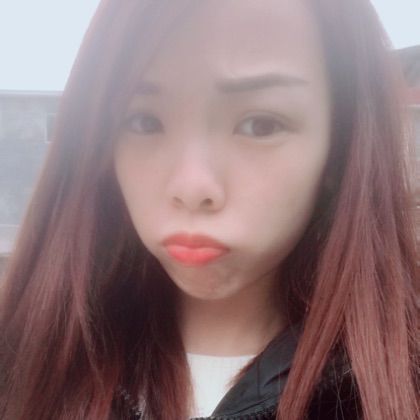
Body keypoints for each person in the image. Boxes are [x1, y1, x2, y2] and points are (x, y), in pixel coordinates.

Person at [0, 0, 418, 419]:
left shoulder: (403, 376)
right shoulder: (25, 355)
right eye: (144, 122)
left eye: (260, 125)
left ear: (339, 149)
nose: (191, 188)